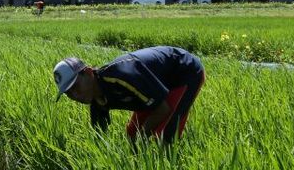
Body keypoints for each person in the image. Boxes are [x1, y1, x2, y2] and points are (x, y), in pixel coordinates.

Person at [53, 46, 205, 144]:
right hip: (153, 86)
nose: (75, 95)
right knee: (132, 133)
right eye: (69, 93)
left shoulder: (121, 76)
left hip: (183, 72)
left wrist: (143, 136)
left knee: (164, 137)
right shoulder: (97, 101)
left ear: (87, 72)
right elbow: (100, 139)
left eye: (76, 86)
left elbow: (163, 108)